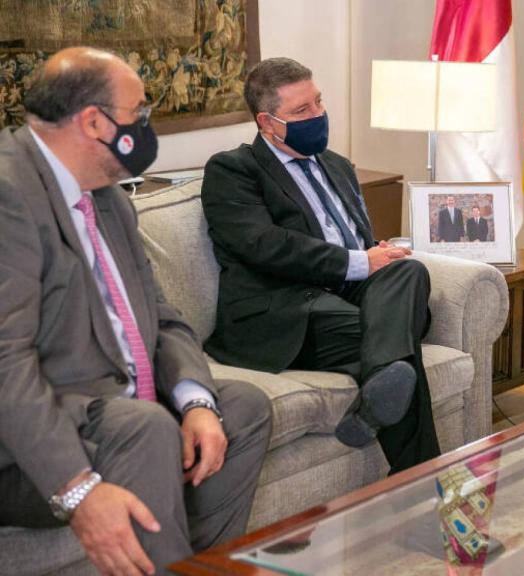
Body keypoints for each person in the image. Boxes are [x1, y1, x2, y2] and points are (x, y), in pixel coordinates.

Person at [0, 47, 271, 574]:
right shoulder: (9, 196)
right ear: (95, 122)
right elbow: (4, 363)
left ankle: (202, 568)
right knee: (145, 427)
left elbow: (161, 316)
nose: (148, 127)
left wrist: (195, 402)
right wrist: (77, 490)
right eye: (140, 113)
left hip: (117, 408)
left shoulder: (109, 198)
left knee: (240, 407)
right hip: (27, 443)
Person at [201, 57, 440, 473]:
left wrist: (375, 254)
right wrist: (359, 262)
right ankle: (427, 482)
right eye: (301, 111)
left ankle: (377, 400)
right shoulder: (233, 170)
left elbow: (359, 244)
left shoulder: (337, 165)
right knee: (398, 346)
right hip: (287, 310)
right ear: (268, 122)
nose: (317, 116)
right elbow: (266, 246)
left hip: (346, 297)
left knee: (409, 271)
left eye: (318, 103)